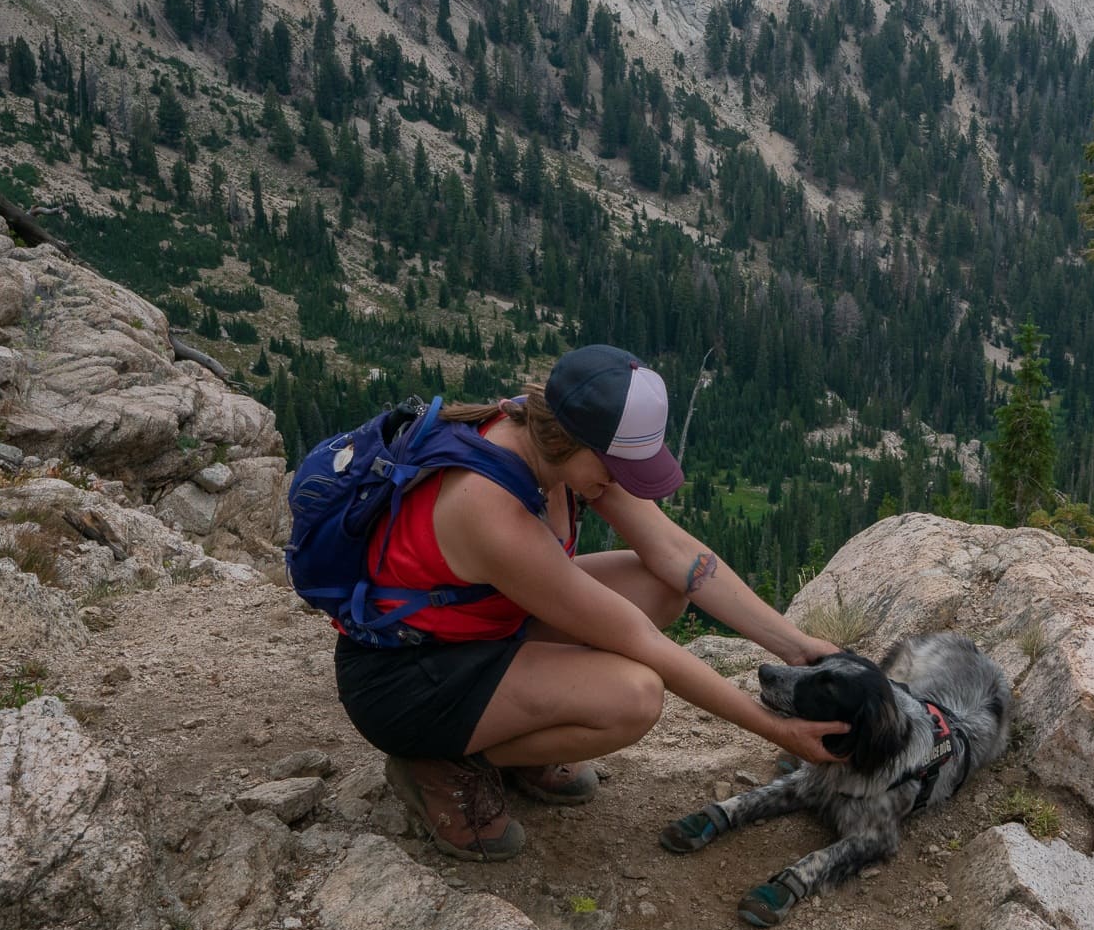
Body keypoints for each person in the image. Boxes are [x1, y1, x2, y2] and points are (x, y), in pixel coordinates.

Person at [333, 344, 846, 861]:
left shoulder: (545, 430)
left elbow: (676, 556)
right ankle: (440, 761)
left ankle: (515, 732)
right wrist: (778, 730)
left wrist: (797, 646)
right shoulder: (490, 510)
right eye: (618, 467)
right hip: (403, 680)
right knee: (634, 697)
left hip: (474, 628)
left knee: (660, 588)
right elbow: (639, 641)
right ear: (574, 440)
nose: (624, 482)